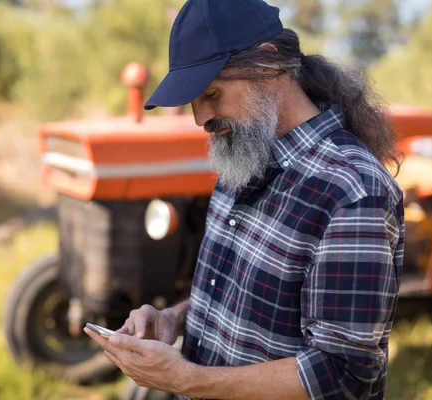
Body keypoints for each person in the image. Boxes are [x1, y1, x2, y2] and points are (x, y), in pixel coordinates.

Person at [84, 0, 405, 399]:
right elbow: (244, 296)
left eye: (212, 93)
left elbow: (343, 374)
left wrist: (183, 379)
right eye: (193, 101)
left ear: (268, 65)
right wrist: (173, 319)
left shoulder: (352, 190)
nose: (201, 119)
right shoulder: (243, 155)